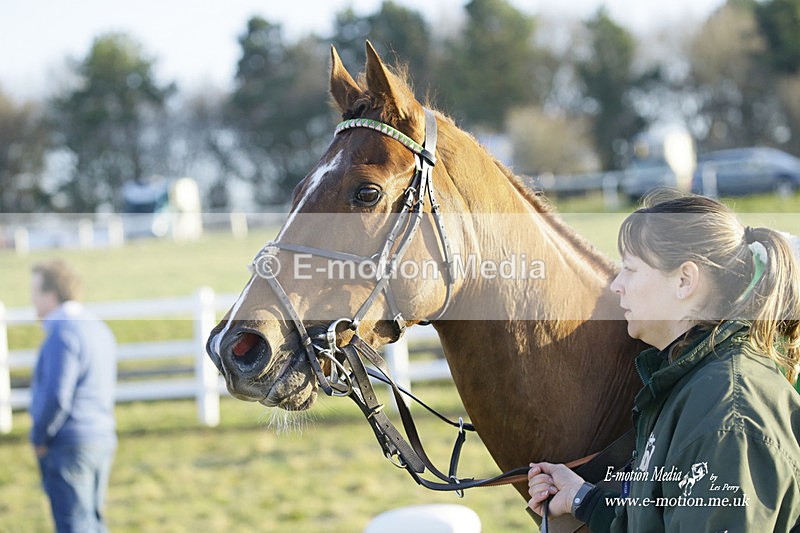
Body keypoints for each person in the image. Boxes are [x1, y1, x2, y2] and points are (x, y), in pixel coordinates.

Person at [528, 191, 800, 531]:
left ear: (685, 280)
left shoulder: (726, 416)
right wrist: (581, 498)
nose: (617, 285)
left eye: (629, 269)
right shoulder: (693, 385)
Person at [29, 259, 117, 532]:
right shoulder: (98, 328)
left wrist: (39, 436)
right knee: (92, 521)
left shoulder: (63, 332)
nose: (33, 301)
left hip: (69, 442)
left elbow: (57, 395)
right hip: (101, 437)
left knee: (73, 525)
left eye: (35, 293)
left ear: (51, 294)